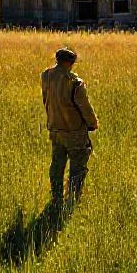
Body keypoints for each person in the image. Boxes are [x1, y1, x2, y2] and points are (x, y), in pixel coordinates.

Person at [41, 48, 99, 203]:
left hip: (55, 129)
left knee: (57, 165)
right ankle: (72, 200)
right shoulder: (74, 82)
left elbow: (45, 100)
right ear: (70, 63)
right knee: (78, 168)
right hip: (74, 132)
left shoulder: (46, 76)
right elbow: (85, 108)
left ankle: (56, 197)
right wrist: (93, 124)